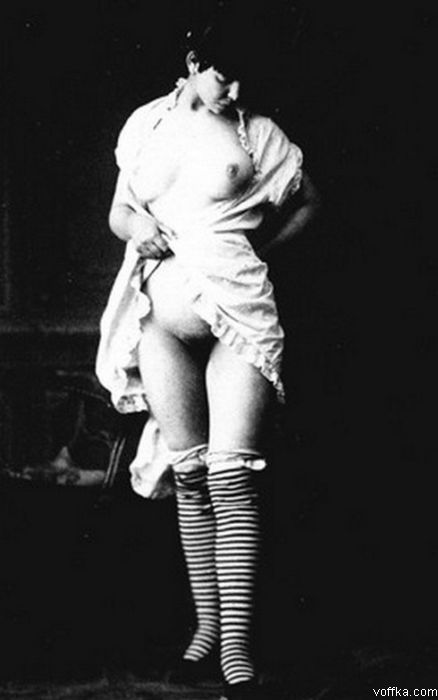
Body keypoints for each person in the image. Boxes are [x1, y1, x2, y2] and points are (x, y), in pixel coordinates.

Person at [96, 8, 320, 699]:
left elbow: (309, 202)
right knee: (190, 475)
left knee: (231, 477)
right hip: (160, 322)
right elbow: (120, 211)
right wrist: (139, 230)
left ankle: (238, 651)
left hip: (237, 316)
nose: (237, 89)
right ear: (194, 61)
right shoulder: (147, 124)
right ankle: (205, 632)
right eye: (226, 75)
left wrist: (253, 252)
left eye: (248, 78)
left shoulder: (259, 134)